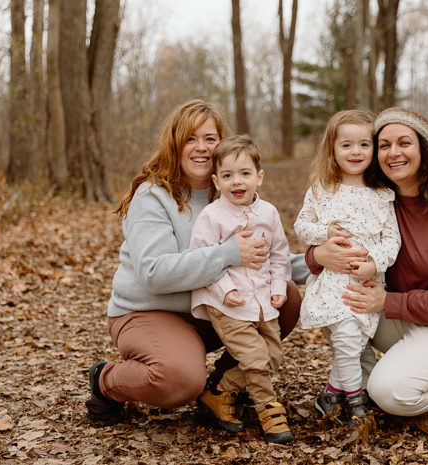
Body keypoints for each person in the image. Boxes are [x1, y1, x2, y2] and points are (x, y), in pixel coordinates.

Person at [85, 100, 308, 427]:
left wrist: (319, 261)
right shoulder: (153, 196)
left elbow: (265, 258)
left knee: (284, 295)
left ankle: (220, 390)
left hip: (210, 310)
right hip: (149, 312)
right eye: (190, 139)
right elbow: (154, 274)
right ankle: (106, 380)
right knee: (179, 380)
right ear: (175, 144)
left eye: (210, 138)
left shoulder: (231, 192)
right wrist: (228, 253)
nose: (201, 147)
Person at [305, 107, 428, 416]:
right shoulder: (378, 199)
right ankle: (365, 380)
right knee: (336, 305)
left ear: (424, 148)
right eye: (384, 145)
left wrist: (387, 303)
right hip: (410, 318)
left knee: (390, 393)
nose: (393, 153)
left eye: (404, 143)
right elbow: (338, 246)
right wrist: (316, 256)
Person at [294, 110, 401, 426]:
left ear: (374, 148)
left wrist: (373, 263)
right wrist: (324, 234)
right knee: (348, 342)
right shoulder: (321, 189)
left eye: (364, 145)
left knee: (356, 346)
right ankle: (355, 400)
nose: (356, 152)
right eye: (347, 145)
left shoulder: (382, 196)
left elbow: (391, 241)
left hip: (365, 285)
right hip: (331, 286)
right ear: (332, 149)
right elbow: (301, 226)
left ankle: (329, 395)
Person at [189, 135, 293, 444]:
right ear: (216, 181)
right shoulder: (212, 217)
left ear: (259, 176)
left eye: (245, 173)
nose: (238, 181)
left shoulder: (269, 214)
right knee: (255, 358)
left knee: (272, 356)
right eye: (228, 175)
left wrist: (278, 287)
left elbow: (279, 254)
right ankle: (269, 411)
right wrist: (223, 291)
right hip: (228, 304)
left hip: (263, 300)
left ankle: (218, 389)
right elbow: (202, 260)